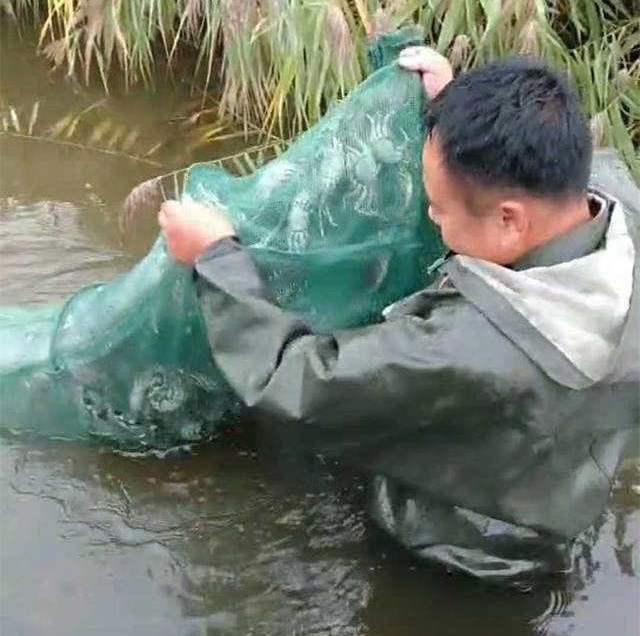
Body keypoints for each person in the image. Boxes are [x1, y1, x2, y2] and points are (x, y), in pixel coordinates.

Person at [158, 47, 640, 585]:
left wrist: (216, 255)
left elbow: (300, 381)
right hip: (552, 504)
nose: (431, 216)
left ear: (509, 220)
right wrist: (452, 109)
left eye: (439, 206)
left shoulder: (465, 346)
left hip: (461, 551)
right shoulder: (620, 210)